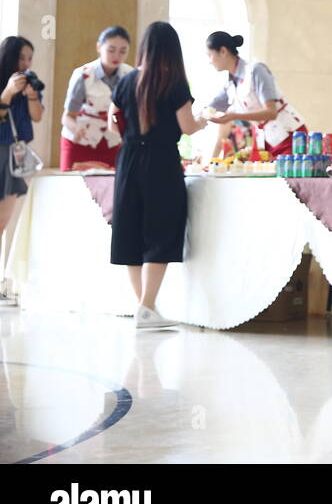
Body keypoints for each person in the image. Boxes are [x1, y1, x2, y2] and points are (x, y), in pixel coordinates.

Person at [109, 22, 207, 329]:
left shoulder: (126, 82)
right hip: (161, 160)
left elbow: (114, 125)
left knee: (132, 230)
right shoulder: (174, 83)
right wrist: (204, 120)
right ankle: (147, 306)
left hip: (128, 160)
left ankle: (145, 308)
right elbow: (188, 126)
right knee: (160, 229)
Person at [203, 32, 306, 160]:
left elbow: (271, 112)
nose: (209, 62)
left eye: (210, 55)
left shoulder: (256, 70)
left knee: (288, 179)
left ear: (223, 51)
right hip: (268, 139)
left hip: (290, 135)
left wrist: (233, 116)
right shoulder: (230, 84)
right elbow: (210, 108)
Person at [0, 36, 45, 305]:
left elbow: (38, 116)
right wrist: (7, 92)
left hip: (16, 154)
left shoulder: (31, 83)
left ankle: (5, 280)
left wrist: (30, 96)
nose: (26, 64)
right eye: (22, 57)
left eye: (30, 58)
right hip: (0, 149)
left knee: (5, 220)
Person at [59, 26, 133, 171]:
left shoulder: (130, 75)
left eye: (123, 51)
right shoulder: (83, 74)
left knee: (111, 189)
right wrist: (76, 129)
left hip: (113, 141)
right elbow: (67, 117)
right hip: (81, 140)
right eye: (111, 50)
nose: (117, 56)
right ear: (99, 47)